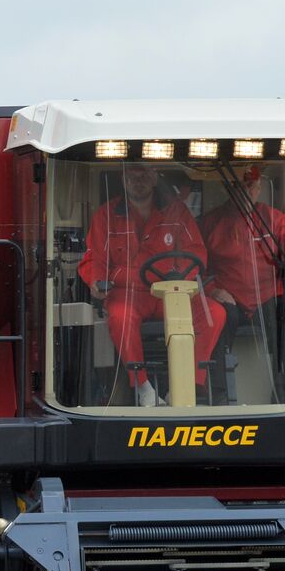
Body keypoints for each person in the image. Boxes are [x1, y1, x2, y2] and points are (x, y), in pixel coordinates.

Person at [78, 163, 225, 407]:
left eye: (144, 174)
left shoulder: (176, 212)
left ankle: (191, 384)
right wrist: (96, 281)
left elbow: (196, 253)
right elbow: (95, 259)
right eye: (132, 175)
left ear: (155, 178)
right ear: (123, 179)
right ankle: (143, 387)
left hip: (171, 292)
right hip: (128, 293)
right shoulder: (106, 215)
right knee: (119, 317)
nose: (138, 180)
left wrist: (183, 279)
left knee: (214, 314)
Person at [199, 165, 285, 373]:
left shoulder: (275, 219)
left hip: (266, 298)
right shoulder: (210, 223)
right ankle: (217, 391)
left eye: (251, 186)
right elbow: (196, 266)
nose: (246, 192)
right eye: (239, 187)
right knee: (215, 318)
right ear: (228, 189)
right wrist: (212, 290)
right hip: (229, 298)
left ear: (258, 187)